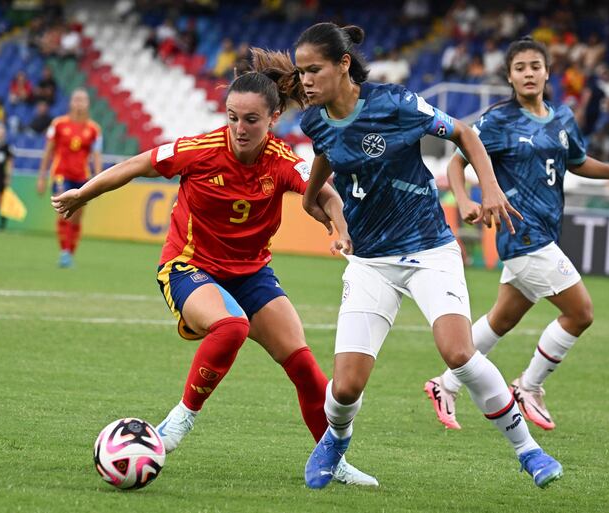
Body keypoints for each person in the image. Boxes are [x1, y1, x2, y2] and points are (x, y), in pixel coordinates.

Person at [50, 50, 377, 486]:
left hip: (252, 274)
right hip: (188, 266)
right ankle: (180, 420)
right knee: (231, 327)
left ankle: (332, 462)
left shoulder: (281, 159)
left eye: (251, 120)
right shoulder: (200, 150)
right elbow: (136, 164)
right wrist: (82, 194)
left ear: (273, 118)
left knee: (303, 365)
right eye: (232, 117)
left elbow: (326, 194)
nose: (240, 129)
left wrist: (338, 228)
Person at [292, 23, 562, 490]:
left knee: (458, 352)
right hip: (372, 261)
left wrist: (491, 188)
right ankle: (335, 442)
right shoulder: (314, 121)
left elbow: (463, 133)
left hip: (429, 248)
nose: (306, 81)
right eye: (300, 72)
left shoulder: (393, 103)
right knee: (346, 387)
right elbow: (326, 159)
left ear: (342, 65)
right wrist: (322, 209)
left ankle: (529, 452)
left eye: (314, 69)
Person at [424, 37, 609, 433]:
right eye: (520, 68)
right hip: (522, 233)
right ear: (510, 76)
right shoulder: (498, 120)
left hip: (546, 231)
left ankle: (445, 384)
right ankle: (529, 386)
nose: (528, 73)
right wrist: (463, 201)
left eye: (535, 66)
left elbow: (577, 163)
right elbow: (459, 163)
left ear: (548, 72)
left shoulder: (562, 117)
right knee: (580, 313)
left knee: (500, 320)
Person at [37, 88, 102, 268]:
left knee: (77, 217)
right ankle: (64, 251)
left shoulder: (94, 129)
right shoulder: (58, 124)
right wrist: (41, 177)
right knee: (64, 212)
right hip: (60, 175)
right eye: (76, 99)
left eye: (83, 100)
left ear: (88, 104)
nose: (79, 103)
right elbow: (48, 151)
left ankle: (70, 252)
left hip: (82, 177)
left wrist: (99, 179)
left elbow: (97, 156)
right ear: (70, 103)